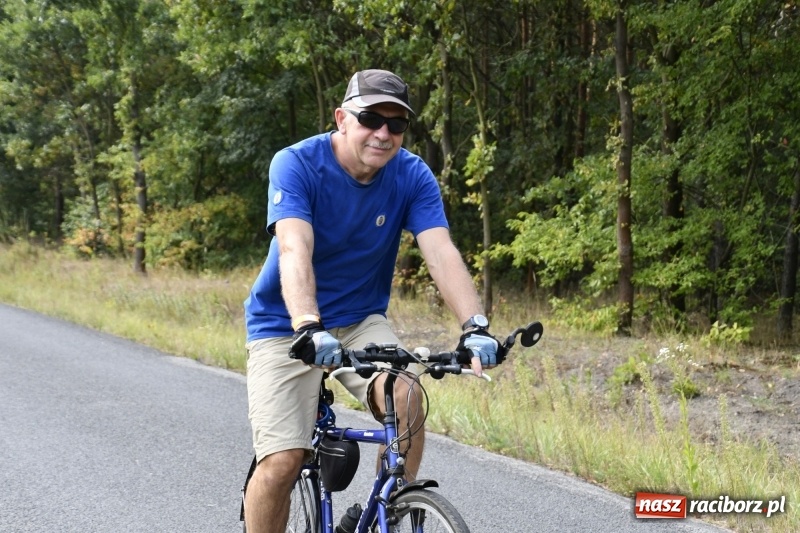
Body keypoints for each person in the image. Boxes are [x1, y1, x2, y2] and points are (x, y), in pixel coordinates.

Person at [242, 68, 500, 533]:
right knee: (283, 460)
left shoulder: (411, 174)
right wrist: (306, 323)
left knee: (408, 395)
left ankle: (390, 510)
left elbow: (440, 251)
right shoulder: (297, 163)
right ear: (342, 118)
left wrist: (475, 325)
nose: (383, 133)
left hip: (360, 320)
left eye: (396, 124)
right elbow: (294, 248)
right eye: (370, 119)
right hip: (287, 325)